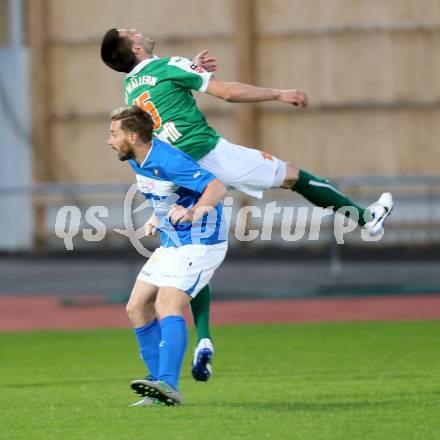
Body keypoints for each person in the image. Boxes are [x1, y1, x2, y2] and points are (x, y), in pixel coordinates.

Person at [101, 28, 394, 382]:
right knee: (293, 176)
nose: (139, 30)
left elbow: (158, 113)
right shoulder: (167, 65)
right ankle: (366, 218)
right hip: (210, 155)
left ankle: (198, 342)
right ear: (134, 47)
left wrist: (191, 70)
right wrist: (278, 93)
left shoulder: (131, 88)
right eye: (132, 32)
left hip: (175, 173)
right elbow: (225, 92)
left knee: (185, 255)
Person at [107, 105, 228, 406]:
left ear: (132, 137)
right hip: (174, 241)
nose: (109, 141)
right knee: (136, 306)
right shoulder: (138, 159)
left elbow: (216, 187)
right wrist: (158, 217)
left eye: (113, 134)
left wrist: (192, 212)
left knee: (166, 304)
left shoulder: (168, 159)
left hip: (200, 242)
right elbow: (165, 194)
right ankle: (156, 384)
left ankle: (169, 386)